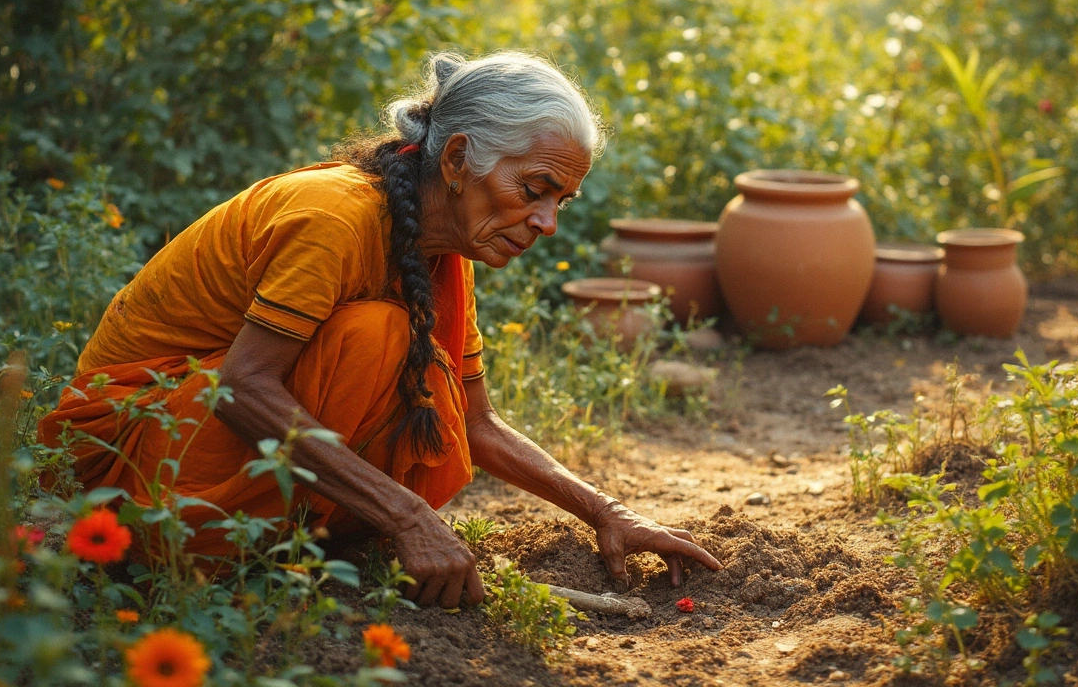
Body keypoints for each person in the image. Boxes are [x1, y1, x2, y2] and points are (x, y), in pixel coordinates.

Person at [39, 51, 721, 608]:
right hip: (131, 460)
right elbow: (242, 388)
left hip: (203, 443)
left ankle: (297, 539)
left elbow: (477, 424)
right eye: (534, 189)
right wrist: (407, 517)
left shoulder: (444, 251)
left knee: (414, 360)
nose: (547, 223)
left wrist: (606, 511)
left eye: (561, 201)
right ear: (457, 160)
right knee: (377, 337)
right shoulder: (333, 216)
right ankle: (203, 547)